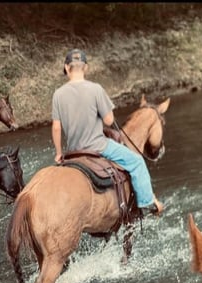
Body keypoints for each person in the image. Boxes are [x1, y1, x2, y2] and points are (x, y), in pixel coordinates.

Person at [51, 49, 164, 214]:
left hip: (73, 150)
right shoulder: (96, 89)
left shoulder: (58, 94)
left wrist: (59, 153)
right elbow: (109, 121)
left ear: (67, 68)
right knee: (136, 161)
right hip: (98, 146)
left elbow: (56, 127)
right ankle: (147, 203)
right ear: (86, 68)